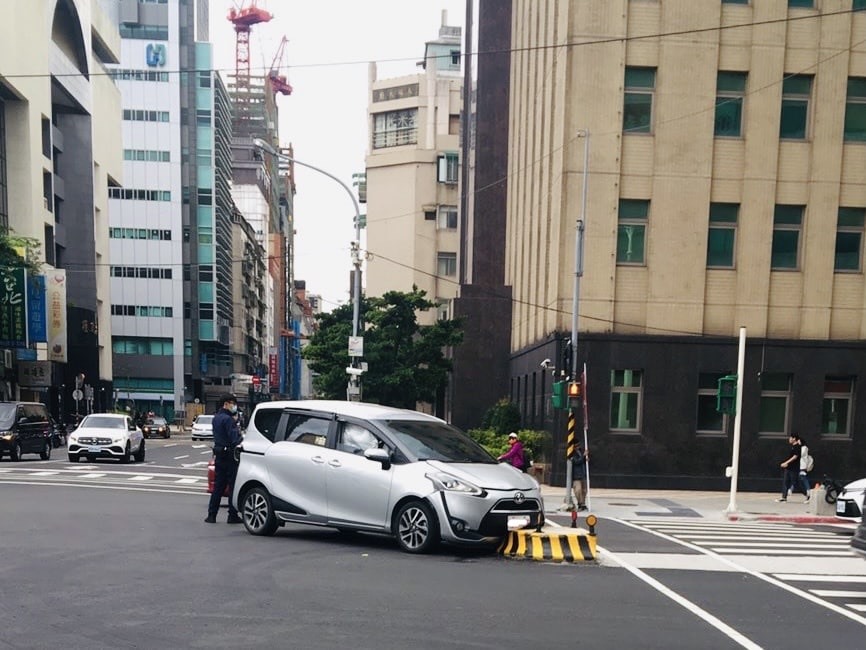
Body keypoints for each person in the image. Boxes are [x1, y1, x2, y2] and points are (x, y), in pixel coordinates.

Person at [205, 394, 243, 524]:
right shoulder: (228, 419)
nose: (234, 406)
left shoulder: (216, 418)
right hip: (230, 456)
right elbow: (235, 439)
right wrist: (239, 434)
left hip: (219, 454)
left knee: (219, 486)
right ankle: (232, 515)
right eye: (232, 403)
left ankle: (211, 515)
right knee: (232, 485)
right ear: (226, 404)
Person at [778, 433, 804, 503]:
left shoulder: (797, 447)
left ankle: (807, 495)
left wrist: (786, 462)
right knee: (786, 482)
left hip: (794, 468)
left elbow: (795, 457)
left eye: (790, 438)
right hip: (789, 468)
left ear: (794, 438)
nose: (789, 439)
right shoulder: (793, 446)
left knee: (796, 483)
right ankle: (784, 497)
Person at [571, 444, 589, 511]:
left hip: (582, 474)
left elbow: (582, 461)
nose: (578, 447)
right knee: (578, 490)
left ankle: (583, 503)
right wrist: (583, 456)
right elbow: (576, 462)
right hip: (576, 475)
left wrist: (585, 459)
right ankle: (580, 503)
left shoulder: (580, 452)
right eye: (576, 446)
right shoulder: (572, 453)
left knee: (584, 490)